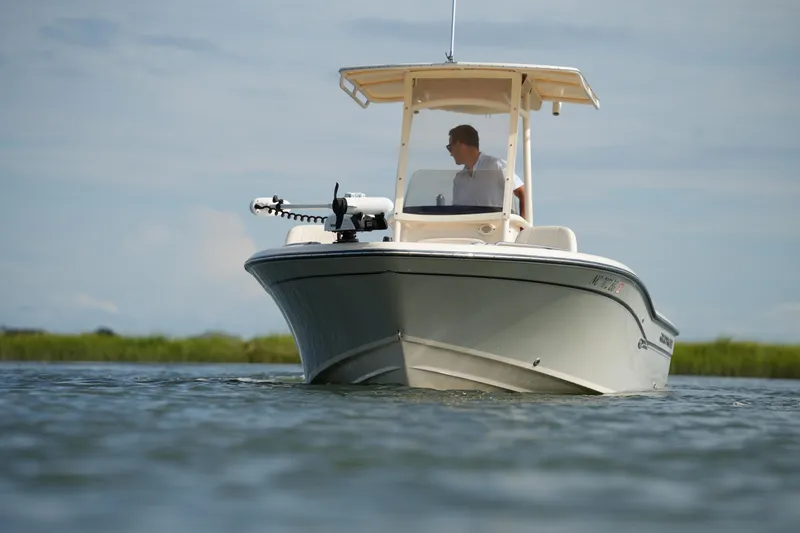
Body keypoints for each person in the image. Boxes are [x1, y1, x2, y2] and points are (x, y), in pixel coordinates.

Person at [447, 124, 526, 219]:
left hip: (498, 231)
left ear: (460, 145)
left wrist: (522, 227)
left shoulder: (496, 165)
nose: (450, 153)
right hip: (468, 233)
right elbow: (457, 213)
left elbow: (523, 192)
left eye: (450, 147)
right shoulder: (459, 179)